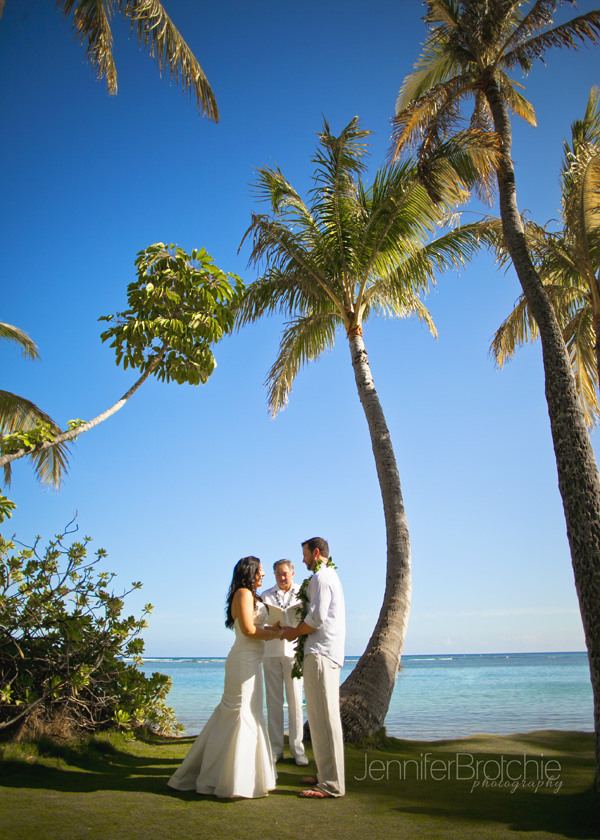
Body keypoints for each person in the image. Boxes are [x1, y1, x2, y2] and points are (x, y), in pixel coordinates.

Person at [167, 557, 282, 798]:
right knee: (238, 712)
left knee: (251, 713)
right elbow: (249, 631)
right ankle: (226, 778)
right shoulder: (242, 593)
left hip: (253, 661)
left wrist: (275, 629)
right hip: (242, 662)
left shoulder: (252, 595)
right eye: (260, 572)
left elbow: (254, 626)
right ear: (249, 572)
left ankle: (246, 776)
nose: (263, 576)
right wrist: (274, 635)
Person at [282, 537, 345, 798]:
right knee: (318, 720)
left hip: (321, 654)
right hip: (319, 652)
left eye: (305, 555)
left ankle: (332, 784)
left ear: (316, 552)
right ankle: (324, 774)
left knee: (326, 719)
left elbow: (316, 619)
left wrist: (294, 632)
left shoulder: (322, 578)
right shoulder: (325, 577)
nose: (304, 560)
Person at [261, 559, 308, 766]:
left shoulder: (302, 593)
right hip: (271, 651)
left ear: (292, 573)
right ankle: (275, 749)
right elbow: (260, 621)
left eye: (285, 573)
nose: (281, 577)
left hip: (294, 652)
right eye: (278, 574)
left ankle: (298, 750)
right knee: (273, 702)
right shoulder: (266, 595)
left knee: (296, 702)